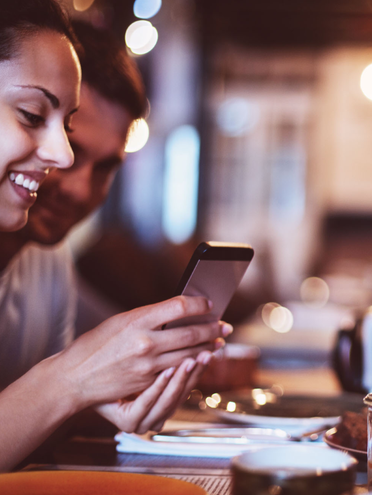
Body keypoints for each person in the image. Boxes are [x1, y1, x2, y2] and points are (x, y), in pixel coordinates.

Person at [0, 1, 227, 471]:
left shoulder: (47, 258)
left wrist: (97, 404)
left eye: (64, 124)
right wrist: (69, 382)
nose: (64, 162)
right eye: (30, 115)